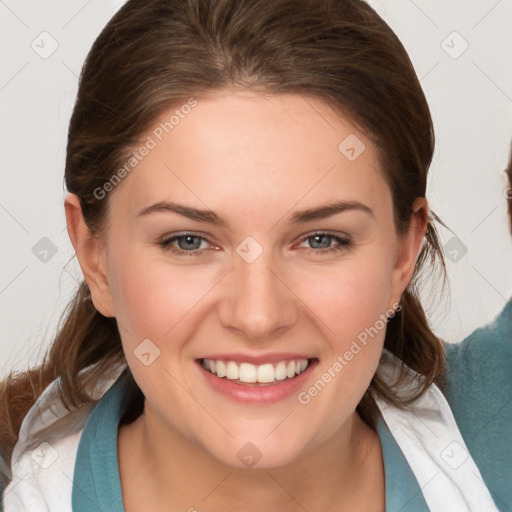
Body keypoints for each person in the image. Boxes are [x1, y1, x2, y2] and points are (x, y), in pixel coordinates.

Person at [0, 0, 509, 510]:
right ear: (95, 256)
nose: (258, 316)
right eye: (189, 242)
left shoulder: (493, 442)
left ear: (403, 253)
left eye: (320, 240)